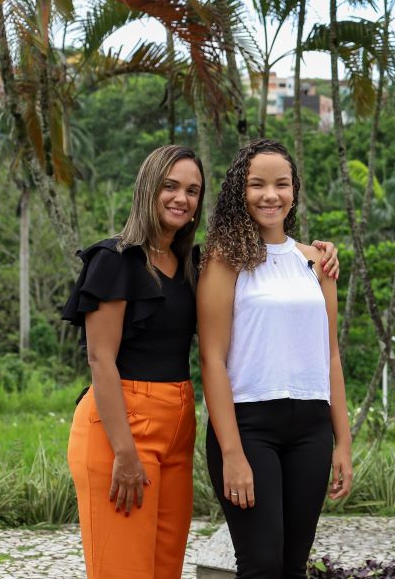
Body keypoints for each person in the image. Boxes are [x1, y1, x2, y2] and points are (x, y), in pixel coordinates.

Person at [62, 145, 339, 579]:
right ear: (147, 189)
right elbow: (100, 359)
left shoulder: (189, 263)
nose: (181, 198)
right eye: (170, 186)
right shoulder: (114, 260)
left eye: (192, 190)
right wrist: (124, 452)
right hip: (120, 424)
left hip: (177, 422)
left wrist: (319, 251)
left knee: (164, 567)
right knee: (123, 569)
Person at [198, 139, 353, 577]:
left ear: (294, 191)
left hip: (311, 430)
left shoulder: (318, 261)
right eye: (257, 185)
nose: (271, 195)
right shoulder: (224, 260)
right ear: (238, 193)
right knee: (261, 564)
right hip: (248, 428)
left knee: (292, 566)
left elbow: (331, 356)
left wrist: (342, 443)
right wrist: (231, 452)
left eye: (282, 184)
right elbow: (211, 358)